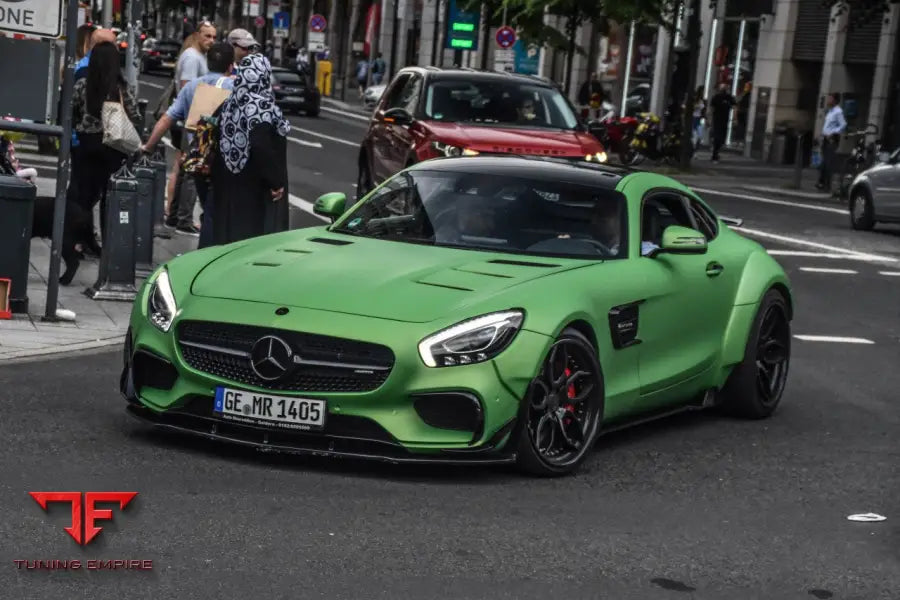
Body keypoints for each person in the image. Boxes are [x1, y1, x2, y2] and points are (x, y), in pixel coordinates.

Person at [141, 42, 236, 249]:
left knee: (207, 204)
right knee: (216, 210)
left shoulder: (193, 86)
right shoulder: (235, 87)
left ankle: (207, 246)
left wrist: (148, 146)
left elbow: (167, 118)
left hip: (197, 158)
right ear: (231, 66)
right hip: (224, 159)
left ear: (208, 62)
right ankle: (209, 252)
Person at [212, 54, 290, 245]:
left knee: (226, 236)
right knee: (250, 240)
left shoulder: (229, 103)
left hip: (226, 181)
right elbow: (260, 145)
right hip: (254, 187)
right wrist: (275, 181)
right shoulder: (260, 107)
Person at [70, 41, 141, 247]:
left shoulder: (82, 85)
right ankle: (109, 242)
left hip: (86, 145)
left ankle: (81, 240)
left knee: (84, 196)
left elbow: (71, 111)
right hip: (113, 147)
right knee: (110, 196)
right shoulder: (120, 87)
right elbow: (134, 114)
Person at [165, 21, 217, 235]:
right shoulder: (192, 57)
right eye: (207, 36)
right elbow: (187, 88)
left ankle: (176, 216)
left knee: (185, 167)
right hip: (192, 119)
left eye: (214, 37)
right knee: (191, 170)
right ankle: (184, 219)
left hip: (192, 119)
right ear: (197, 35)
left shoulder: (195, 56)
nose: (211, 41)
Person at [817, 94, 847, 192]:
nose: (828, 100)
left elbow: (843, 125)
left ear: (835, 100)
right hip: (826, 138)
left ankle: (826, 185)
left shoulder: (838, 111)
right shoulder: (830, 111)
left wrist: (833, 132)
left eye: (830, 98)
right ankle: (821, 182)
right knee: (824, 162)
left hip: (832, 139)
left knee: (828, 162)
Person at [709, 83, 736, 163]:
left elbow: (734, 107)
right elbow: (711, 108)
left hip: (723, 120)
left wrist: (735, 118)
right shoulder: (717, 97)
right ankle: (715, 154)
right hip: (717, 120)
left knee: (721, 137)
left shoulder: (728, 97)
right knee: (718, 137)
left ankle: (715, 152)